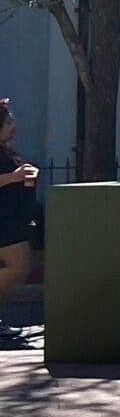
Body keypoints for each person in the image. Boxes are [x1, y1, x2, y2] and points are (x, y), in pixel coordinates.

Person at [0, 100, 39, 350]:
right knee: (19, 265)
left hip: (13, 217)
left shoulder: (6, 150)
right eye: (8, 122)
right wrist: (14, 177)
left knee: (21, 265)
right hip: (3, 220)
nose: (13, 126)